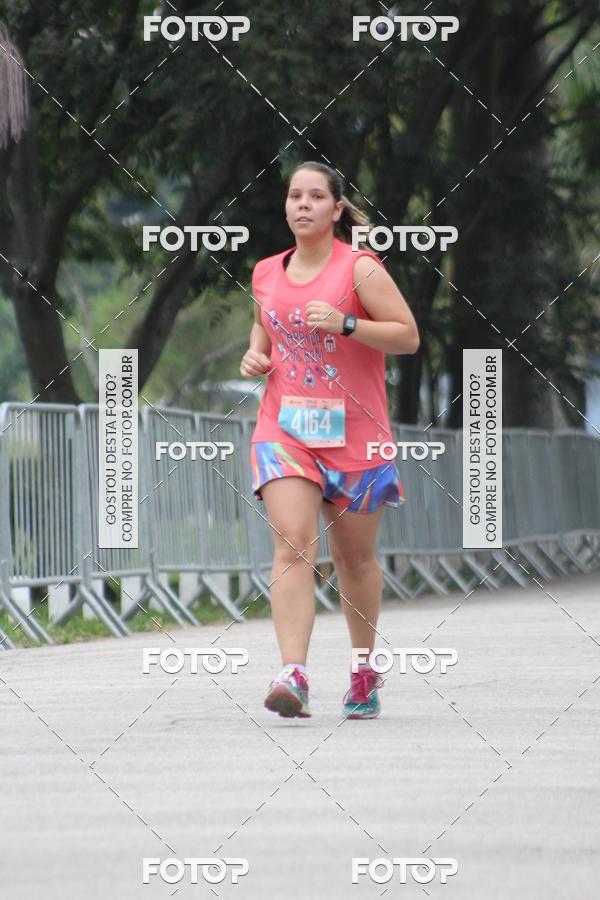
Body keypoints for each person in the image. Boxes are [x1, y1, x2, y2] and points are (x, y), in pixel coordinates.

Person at [240, 161, 420, 720]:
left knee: (355, 559)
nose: (303, 205)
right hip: (286, 428)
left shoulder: (360, 270)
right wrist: (255, 355)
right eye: (295, 195)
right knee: (294, 542)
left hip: (356, 433)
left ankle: (363, 668)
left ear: (337, 209)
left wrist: (347, 325)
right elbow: (265, 325)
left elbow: (408, 336)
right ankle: (292, 672)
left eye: (316, 196)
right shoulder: (267, 271)